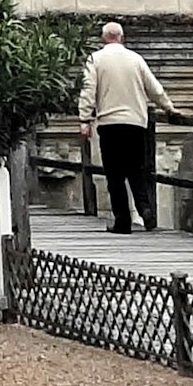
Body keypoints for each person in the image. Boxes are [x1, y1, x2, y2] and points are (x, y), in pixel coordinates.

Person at [73, 18, 176, 233]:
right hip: (136, 122)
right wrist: (169, 107)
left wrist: (84, 119)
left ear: (103, 39)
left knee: (115, 175)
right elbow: (154, 88)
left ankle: (122, 221)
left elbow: (88, 90)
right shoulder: (135, 59)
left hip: (110, 124)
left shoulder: (96, 59)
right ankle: (146, 211)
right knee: (137, 170)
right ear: (122, 37)